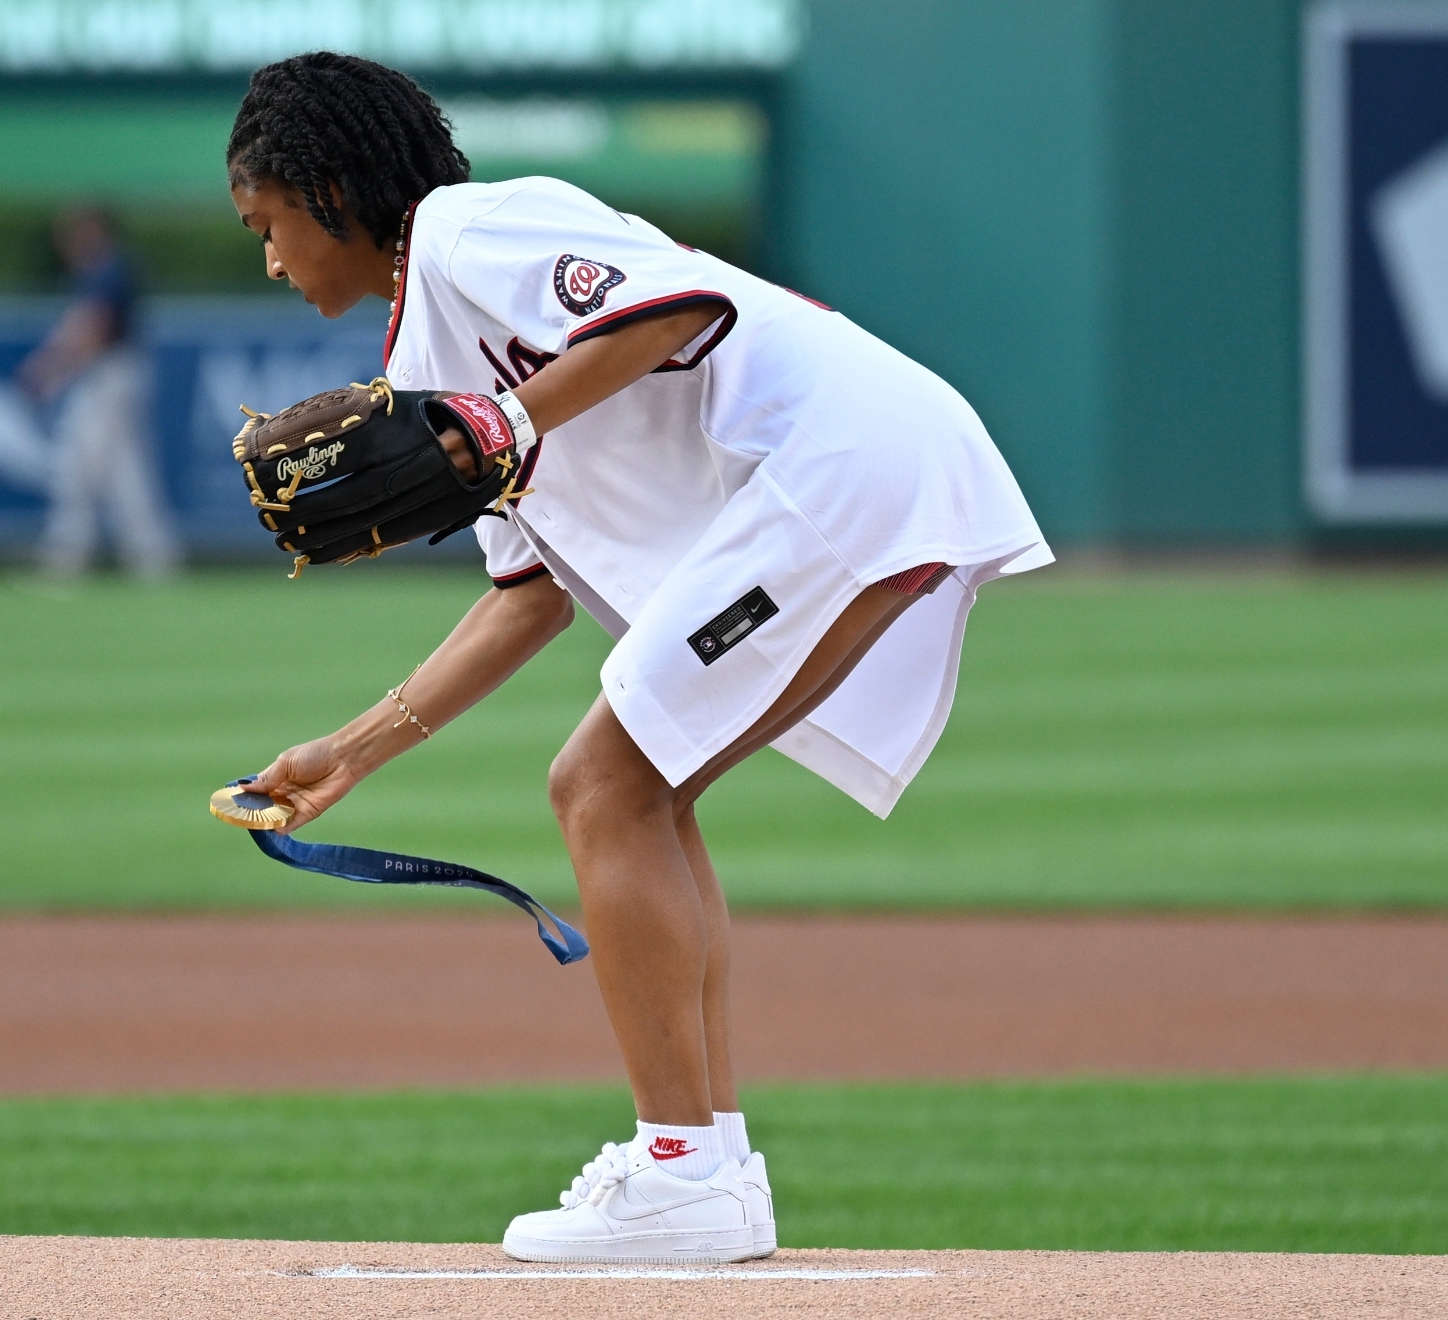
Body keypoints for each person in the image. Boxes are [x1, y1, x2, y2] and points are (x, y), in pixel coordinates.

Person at [227, 53, 1052, 1263]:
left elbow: (673, 308)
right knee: (645, 790)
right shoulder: (422, 377)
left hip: (843, 455)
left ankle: (681, 1172)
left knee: (602, 785)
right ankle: (710, 1163)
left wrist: (502, 420)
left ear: (335, 190)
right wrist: (345, 754)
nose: (270, 258)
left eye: (269, 223)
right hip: (842, 477)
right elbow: (527, 602)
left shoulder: (469, 226)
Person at [22, 202, 180, 579]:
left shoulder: (108, 268)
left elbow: (95, 329)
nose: (67, 242)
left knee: (80, 467)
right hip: (112, 375)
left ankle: (66, 557)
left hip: (111, 375)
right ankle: (154, 559)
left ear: (94, 230)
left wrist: (51, 370)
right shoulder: (102, 269)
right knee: (125, 472)